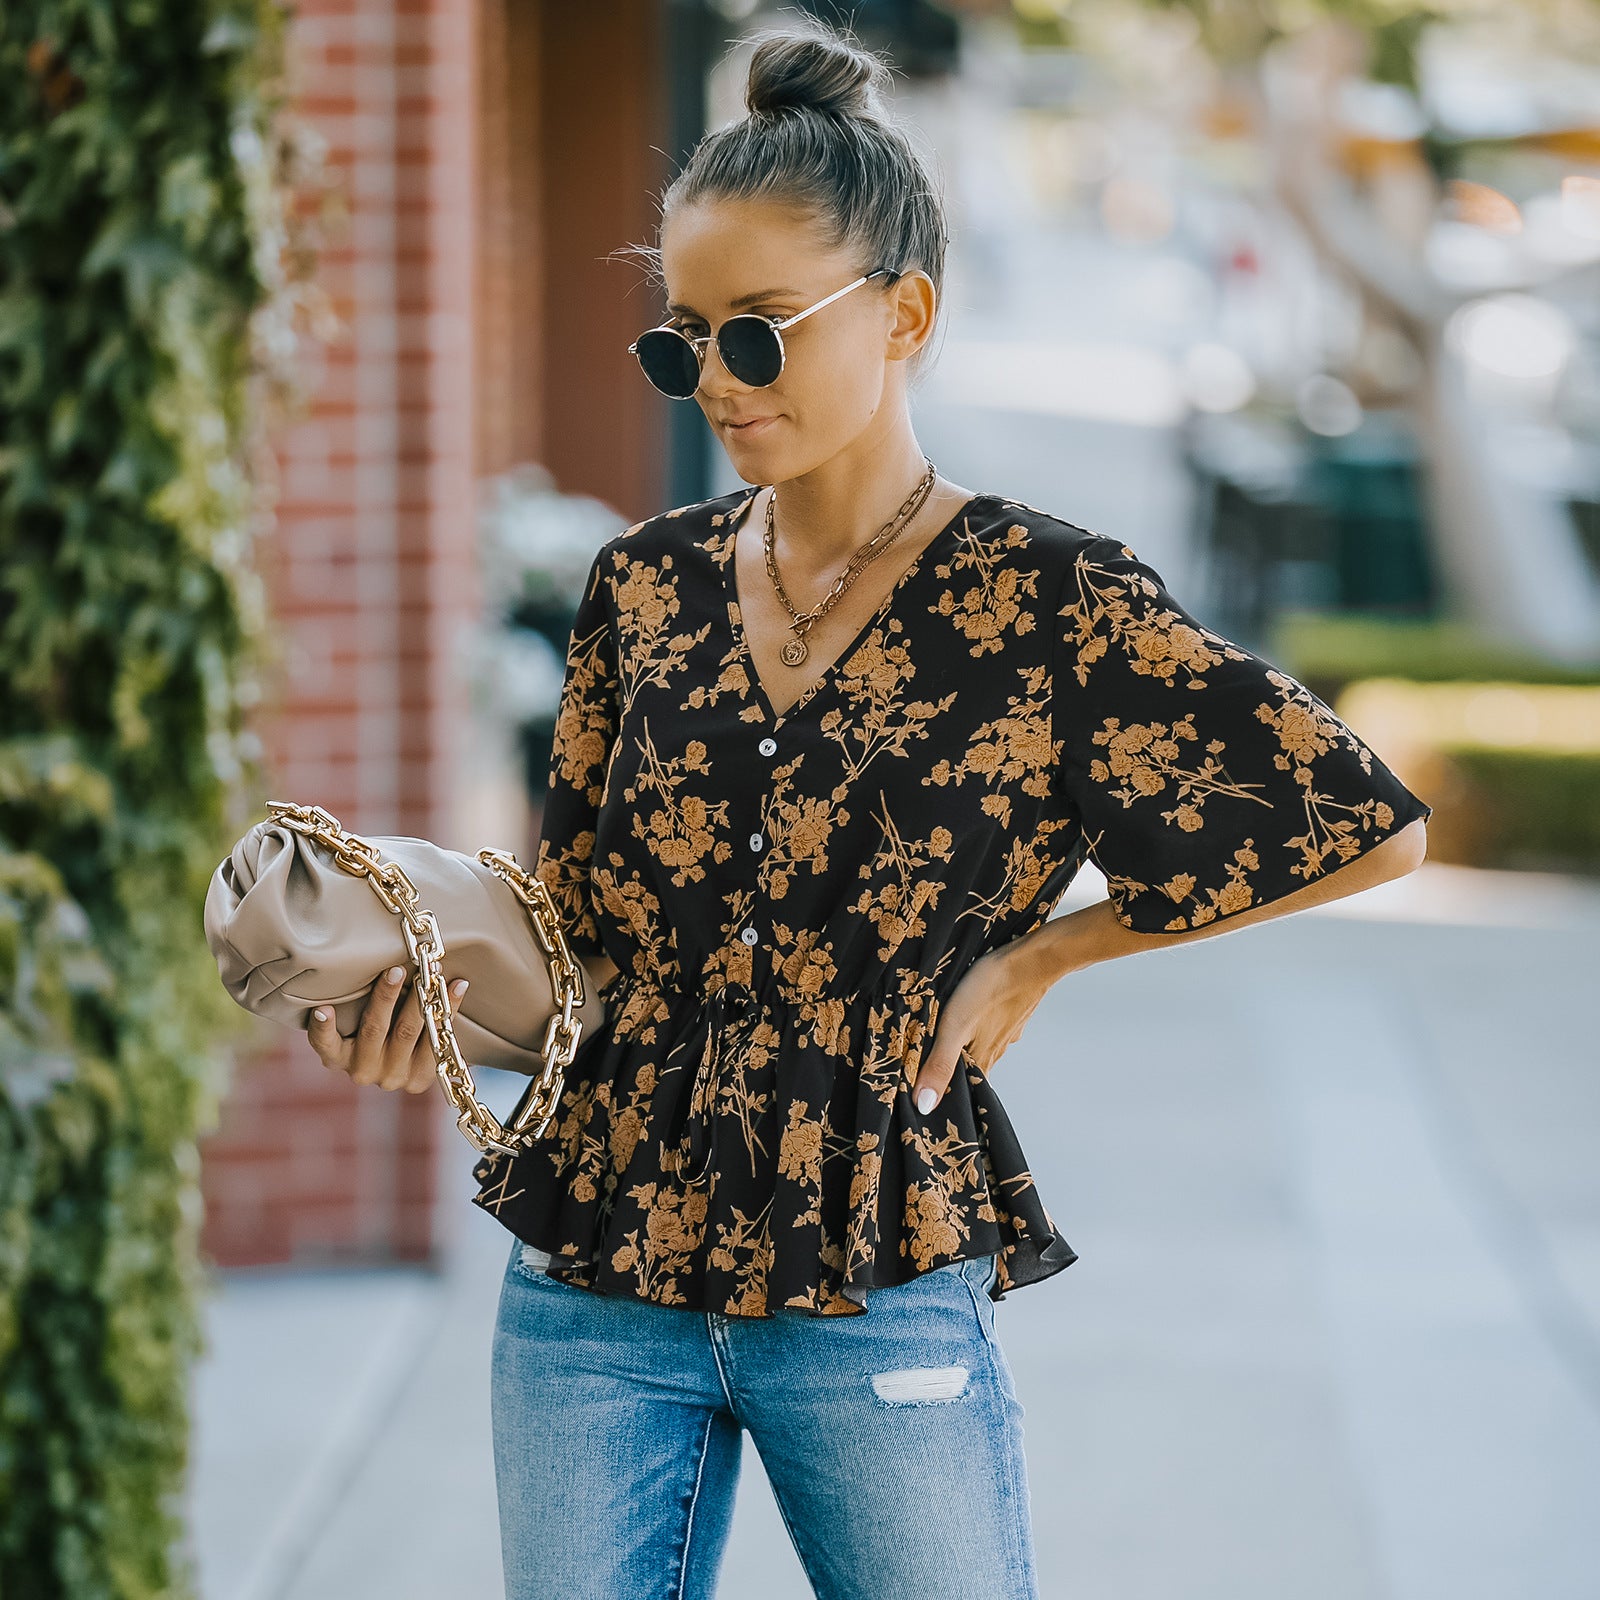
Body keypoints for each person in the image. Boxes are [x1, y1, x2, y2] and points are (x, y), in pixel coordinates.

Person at [307, 16, 1433, 1600]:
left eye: (758, 331)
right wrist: (434, 1003)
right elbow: (582, 938)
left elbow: (1363, 820)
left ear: (903, 313)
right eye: (681, 339)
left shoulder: (1051, 601)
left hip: (874, 1274)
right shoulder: (643, 589)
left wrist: (1047, 955)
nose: (716, 378)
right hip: (591, 1294)